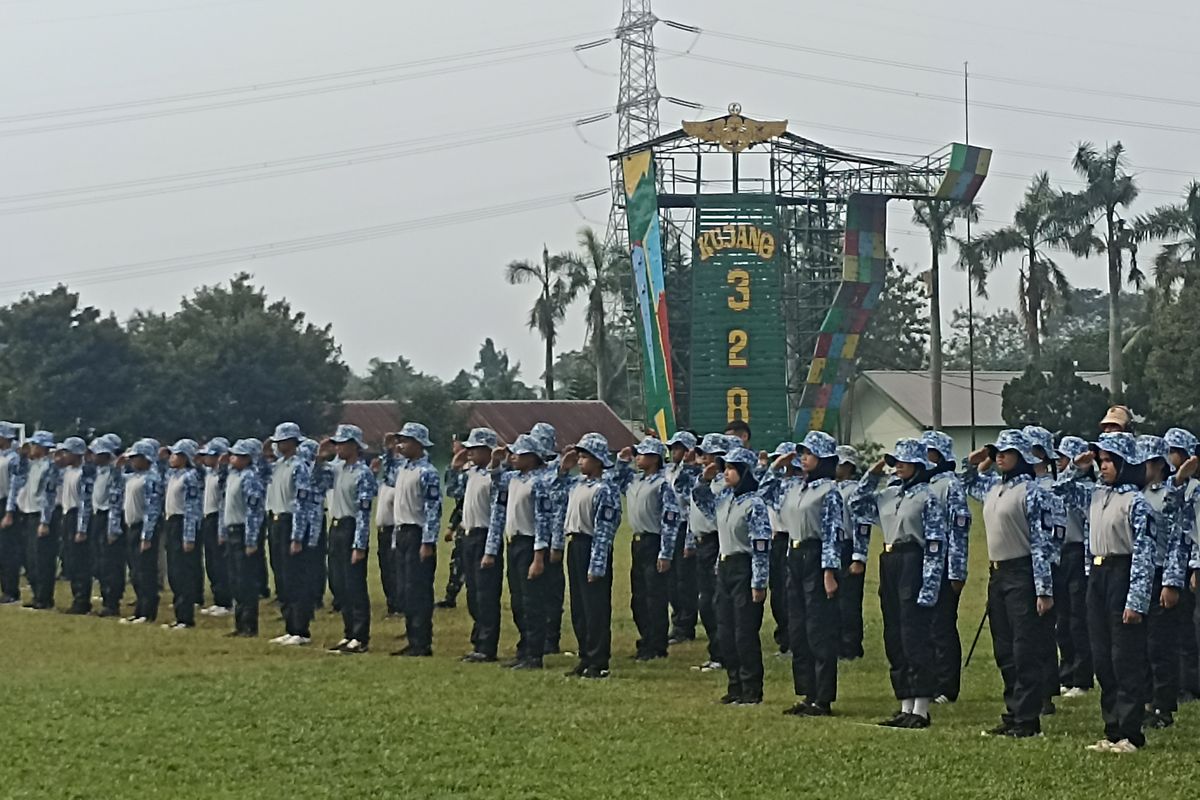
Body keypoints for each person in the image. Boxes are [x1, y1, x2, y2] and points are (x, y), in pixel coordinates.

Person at [963, 430, 1056, 738]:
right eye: (997, 451)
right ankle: (1013, 711)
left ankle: (1028, 718)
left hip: (1022, 572)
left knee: (1023, 647)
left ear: (1022, 457)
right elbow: (967, 484)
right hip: (997, 573)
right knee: (1004, 647)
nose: (1000, 456)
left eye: (1006, 452)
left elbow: (1042, 543)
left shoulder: (1032, 491)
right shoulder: (994, 486)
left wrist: (1043, 589)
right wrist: (975, 462)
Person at [852, 438, 945, 729]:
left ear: (918, 464)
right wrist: (875, 473)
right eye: (896, 461)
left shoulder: (928, 496)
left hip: (913, 560)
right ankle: (905, 702)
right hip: (889, 560)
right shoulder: (888, 495)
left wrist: (930, 585)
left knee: (913, 632)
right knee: (894, 633)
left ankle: (921, 708)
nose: (898, 466)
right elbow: (856, 502)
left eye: (904, 461)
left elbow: (935, 542)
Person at [1070, 433, 1154, 754]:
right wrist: (1078, 468)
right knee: (1102, 656)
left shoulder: (1136, 502)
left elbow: (1144, 554)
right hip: (1099, 575)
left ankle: (1131, 733)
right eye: (1101, 460)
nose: (1103, 467)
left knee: (1124, 656)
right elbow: (1059, 492)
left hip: (1123, 572)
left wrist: (1135, 600)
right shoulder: (1095, 494)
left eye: (1109, 461)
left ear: (1125, 464)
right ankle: (1112, 728)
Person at [762, 431, 844, 717]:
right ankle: (807, 693)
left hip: (815, 554)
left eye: (810, 452)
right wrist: (775, 467)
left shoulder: (829, 491)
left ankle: (823, 697)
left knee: (818, 629)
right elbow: (764, 493)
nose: (804, 457)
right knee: (798, 628)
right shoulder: (794, 487)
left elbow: (834, 533)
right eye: (802, 452)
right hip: (793, 555)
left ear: (824, 459)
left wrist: (829, 571)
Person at [693, 446, 771, 706]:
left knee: (744, 632)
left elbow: (761, 546)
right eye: (725, 468)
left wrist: (759, 583)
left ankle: (751, 689)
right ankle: (734, 684)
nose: (725, 473)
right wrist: (705, 477)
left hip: (744, 567)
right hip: (724, 567)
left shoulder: (755, 504)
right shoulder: (725, 499)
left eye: (731, 468)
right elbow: (700, 498)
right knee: (725, 629)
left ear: (744, 472)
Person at [483, 434, 557, 670]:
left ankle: (534, 654)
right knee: (518, 601)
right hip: (513, 543)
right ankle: (523, 649)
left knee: (532, 601)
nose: (513, 457)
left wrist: (538, 557)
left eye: (519, 454)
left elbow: (543, 520)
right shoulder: (513, 478)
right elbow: (495, 481)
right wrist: (496, 462)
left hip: (530, 544)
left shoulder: (540, 482)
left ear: (533, 457)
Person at [1136, 435, 1194, 729]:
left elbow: (1177, 541)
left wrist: (1171, 582)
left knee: (1160, 645)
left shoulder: (1169, 495)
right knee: (1140, 644)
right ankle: (1145, 700)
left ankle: (1163, 706)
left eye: (1144, 462)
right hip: (1138, 575)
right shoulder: (1134, 493)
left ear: (1158, 465)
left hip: (1160, 574)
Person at [560, 433, 623, 678]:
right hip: (574, 544)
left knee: (595, 607)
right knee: (579, 606)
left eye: (585, 457)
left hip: (591, 546)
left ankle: (598, 660)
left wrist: (597, 564)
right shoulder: (577, 484)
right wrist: (563, 471)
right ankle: (584, 655)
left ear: (598, 460)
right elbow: (554, 494)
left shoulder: (605, 489)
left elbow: (605, 529)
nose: (580, 461)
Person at [315, 425, 378, 655]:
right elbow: (316, 484)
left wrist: (359, 544)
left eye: (342, 444)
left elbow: (363, 512)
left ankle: (360, 636)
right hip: (336, 526)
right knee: (339, 584)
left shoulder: (363, 473)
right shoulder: (335, 468)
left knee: (354, 585)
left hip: (351, 527)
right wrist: (319, 460)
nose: (337, 447)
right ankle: (348, 632)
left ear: (354, 446)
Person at [921, 431, 971, 706]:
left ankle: (946, 685)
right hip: (924, 566)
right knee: (926, 627)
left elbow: (959, 529)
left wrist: (957, 571)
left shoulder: (950, 485)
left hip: (943, 567)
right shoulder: (924, 483)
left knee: (942, 627)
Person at [618, 437, 679, 661]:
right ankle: (645, 639)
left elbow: (670, 520)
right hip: (637, 542)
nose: (637, 458)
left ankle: (657, 644)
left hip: (654, 540)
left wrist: (666, 552)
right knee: (639, 597)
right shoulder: (635, 481)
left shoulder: (662, 485)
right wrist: (621, 461)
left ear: (654, 458)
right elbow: (617, 479)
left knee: (655, 597)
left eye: (642, 454)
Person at [446, 427, 502, 663]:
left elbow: (498, 515)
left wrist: (490, 550)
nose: (470, 453)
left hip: (484, 535)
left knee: (485, 594)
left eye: (475, 449)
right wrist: (455, 467)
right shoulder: (472, 473)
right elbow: (452, 491)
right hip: (468, 536)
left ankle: (487, 646)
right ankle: (478, 640)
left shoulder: (495, 476)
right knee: (472, 593)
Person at [1024, 426, 1068, 717]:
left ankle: (1045, 693)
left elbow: (1057, 533)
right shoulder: (1020, 485)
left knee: (1040, 634)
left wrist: (1045, 572)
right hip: (1018, 565)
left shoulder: (1051, 488)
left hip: (1044, 566)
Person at [388, 422, 441, 657]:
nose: (402, 445)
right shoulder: (403, 468)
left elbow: (433, 509)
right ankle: (411, 637)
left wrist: (428, 542)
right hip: (401, 532)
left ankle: (421, 641)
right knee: (404, 589)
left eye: (406, 441)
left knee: (417, 589)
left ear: (418, 444)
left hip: (417, 532)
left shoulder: (426, 472)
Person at [1052, 435, 1095, 699]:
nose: (1061, 462)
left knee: (1079, 619)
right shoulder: (1063, 484)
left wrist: (1079, 469)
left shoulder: (1088, 488)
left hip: (1079, 553)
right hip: (1061, 553)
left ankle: (1082, 677)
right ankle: (1066, 673)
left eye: (1066, 458)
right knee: (1062, 619)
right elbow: (1058, 487)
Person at [263, 422, 313, 643]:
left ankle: (300, 629)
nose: (278, 445)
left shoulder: (299, 467)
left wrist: (297, 535)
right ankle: (289, 625)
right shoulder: (278, 465)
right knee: (281, 576)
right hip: (275, 520)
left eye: (282, 441)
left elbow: (302, 503)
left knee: (295, 577)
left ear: (293, 442)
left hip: (289, 520)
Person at [688, 433, 731, 672]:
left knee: (717, 602)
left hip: (718, 542)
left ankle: (723, 654)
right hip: (701, 543)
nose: (702, 457)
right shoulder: (702, 480)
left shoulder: (726, 482)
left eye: (708, 453)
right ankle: (716, 652)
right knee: (705, 601)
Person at [1164, 427, 1200, 703]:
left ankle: (1190, 684)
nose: (1169, 456)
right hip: (1172, 563)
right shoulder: (1171, 484)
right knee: (1175, 628)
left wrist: (1196, 567)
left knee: (1189, 627)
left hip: (1190, 563)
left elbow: (1195, 529)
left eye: (1174, 451)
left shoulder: (1195, 488)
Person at [115, 439, 164, 625]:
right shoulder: (132, 477)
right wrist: (117, 467)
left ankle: (147, 611)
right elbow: (116, 483)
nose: (132, 462)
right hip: (131, 526)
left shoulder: (151, 479)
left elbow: (153, 508)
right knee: (135, 571)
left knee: (145, 571)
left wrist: (147, 535)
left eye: (136, 458)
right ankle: (139, 609)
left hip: (142, 528)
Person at [221, 438, 266, 638]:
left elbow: (254, 511)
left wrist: (251, 539)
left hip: (242, 531)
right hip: (231, 530)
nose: (232, 458)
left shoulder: (250, 478)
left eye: (237, 456)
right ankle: (239, 623)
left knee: (246, 580)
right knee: (234, 580)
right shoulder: (232, 476)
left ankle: (249, 624)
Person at [530, 422, 566, 655]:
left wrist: (556, 544)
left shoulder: (556, 471)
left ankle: (550, 639)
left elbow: (559, 511)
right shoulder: (532, 470)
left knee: (551, 592)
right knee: (533, 593)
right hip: (531, 537)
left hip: (550, 539)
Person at [161, 439, 203, 630]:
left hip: (181, 523)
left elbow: (192, 508)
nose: (172, 458)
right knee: (174, 572)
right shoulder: (173, 475)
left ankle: (186, 617)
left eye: (176, 454)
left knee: (183, 572)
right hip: (170, 522)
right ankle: (179, 614)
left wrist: (189, 535)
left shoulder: (190, 477)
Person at [664, 431, 700, 646]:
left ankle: (685, 625)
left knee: (684, 580)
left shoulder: (695, 474)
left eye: (678, 448)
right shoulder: (668, 471)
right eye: (672, 448)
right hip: (669, 527)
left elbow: (691, 507)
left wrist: (690, 540)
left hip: (685, 526)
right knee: (671, 580)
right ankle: (676, 620)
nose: (674, 452)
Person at [834, 446, 866, 660]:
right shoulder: (833, 488)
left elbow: (861, 524)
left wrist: (858, 556)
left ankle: (850, 646)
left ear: (847, 466)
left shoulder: (854, 491)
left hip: (848, 546)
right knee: (834, 600)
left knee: (848, 601)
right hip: (833, 547)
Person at [86, 435, 123, 617]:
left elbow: (116, 500)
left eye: (96, 454)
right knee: (98, 561)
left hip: (109, 516)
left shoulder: (115, 473)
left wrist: (113, 527)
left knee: (110, 563)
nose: (93, 457)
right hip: (97, 515)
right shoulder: (98, 471)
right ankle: (104, 596)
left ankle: (112, 602)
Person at [765, 441, 796, 657]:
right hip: (775, 540)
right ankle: (784, 639)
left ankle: (794, 641)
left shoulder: (798, 484)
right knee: (777, 592)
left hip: (791, 539)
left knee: (789, 594)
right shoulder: (776, 482)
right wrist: (773, 467)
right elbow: (761, 489)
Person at [57, 437, 95, 615]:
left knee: (80, 561)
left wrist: (82, 528)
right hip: (66, 514)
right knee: (70, 559)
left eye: (67, 452)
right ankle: (76, 596)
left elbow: (85, 503)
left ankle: (82, 600)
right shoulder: (67, 471)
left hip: (76, 515)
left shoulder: (83, 473)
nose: (64, 456)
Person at [197, 438, 233, 618]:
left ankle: (225, 601)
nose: (206, 459)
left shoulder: (223, 475)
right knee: (211, 561)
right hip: (207, 517)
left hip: (217, 518)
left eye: (210, 456)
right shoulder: (208, 473)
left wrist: (222, 529)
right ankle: (217, 598)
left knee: (220, 562)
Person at [374, 433, 400, 616]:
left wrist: (391, 451)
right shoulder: (384, 483)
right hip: (383, 529)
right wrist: (387, 450)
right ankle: (391, 603)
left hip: (394, 529)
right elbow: (387, 463)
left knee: (394, 569)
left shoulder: (399, 480)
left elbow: (393, 464)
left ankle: (398, 605)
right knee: (385, 569)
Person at [0, 421, 20, 604]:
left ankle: (11, 590)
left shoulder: (13, 458)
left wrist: (9, 511)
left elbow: (14, 486)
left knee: (7, 550)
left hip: (6, 503)